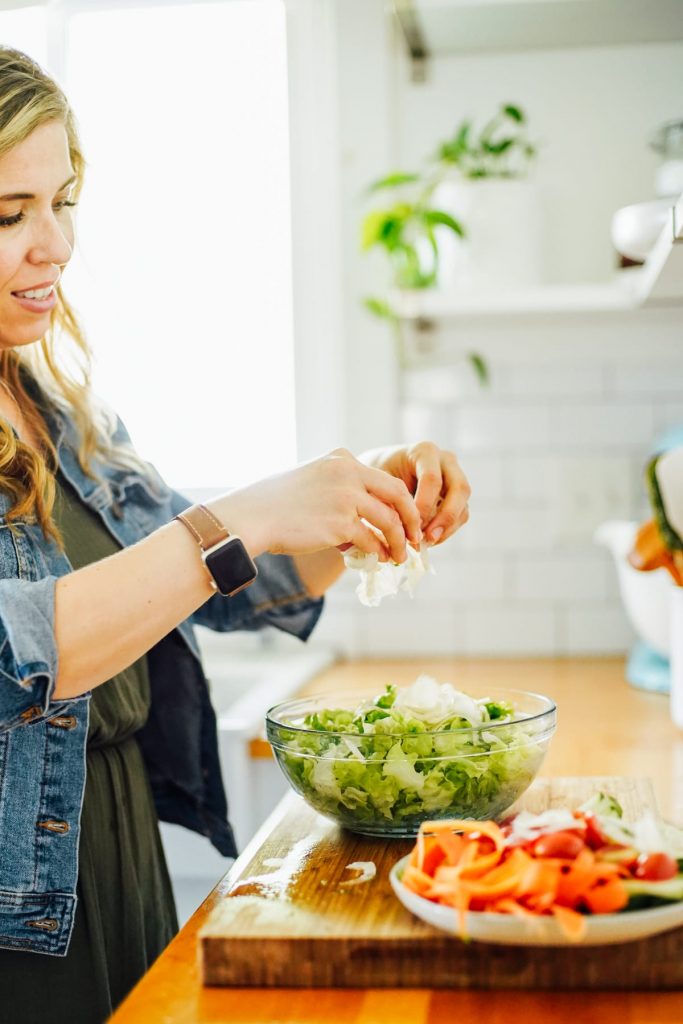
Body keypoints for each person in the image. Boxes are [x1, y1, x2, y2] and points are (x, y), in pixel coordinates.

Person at [0, 47, 470, 1023]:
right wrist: (247, 512)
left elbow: (221, 578)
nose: (55, 244)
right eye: (10, 214)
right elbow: (20, 651)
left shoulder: (58, 409)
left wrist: (357, 512)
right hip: (21, 922)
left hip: (118, 867)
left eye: (64, 200)